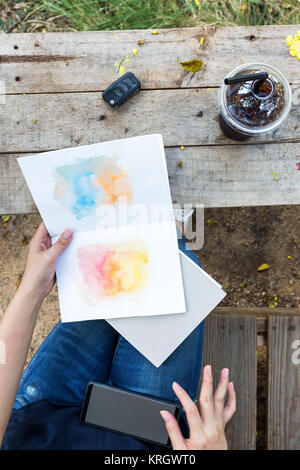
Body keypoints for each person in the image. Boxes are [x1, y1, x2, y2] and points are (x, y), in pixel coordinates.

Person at [0, 223, 236, 450]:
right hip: (147, 431)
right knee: (174, 262)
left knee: (122, 247)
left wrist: (33, 287)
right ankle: (174, 224)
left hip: (46, 414)